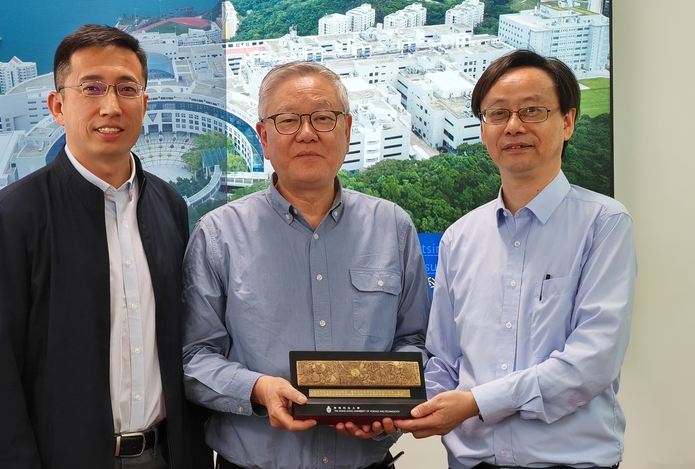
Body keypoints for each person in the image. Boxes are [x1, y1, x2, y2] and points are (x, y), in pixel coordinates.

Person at [0, 24, 211, 469]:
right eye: (91, 88)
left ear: (144, 104)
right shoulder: (12, 217)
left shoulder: (168, 205)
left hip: (167, 453)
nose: (111, 106)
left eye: (126, 89)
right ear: (58, 106)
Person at [392, 50, 637, 469]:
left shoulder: (605, 224)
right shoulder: (459, 237)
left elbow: (591, 361)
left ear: (567, 122)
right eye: (498, 113)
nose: (514, 126)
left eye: (532, 110)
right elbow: (443, 359)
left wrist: (476, 403)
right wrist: (405, 410)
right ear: (483, 128)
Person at [181, 61, 431, 469]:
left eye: (323, 118)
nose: (307, 133)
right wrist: (256, 389)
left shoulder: (393, 227)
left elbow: (415, 341)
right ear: (264, 138)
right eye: (288, 120)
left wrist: (392, 403)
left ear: (346, 130)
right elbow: (194, 357)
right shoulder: (218, 234)